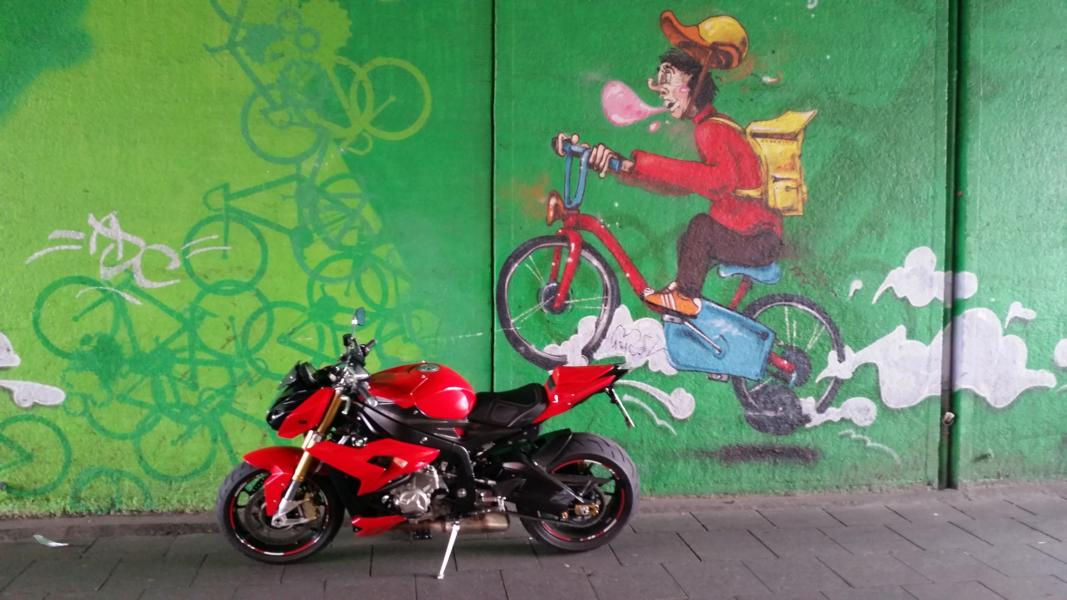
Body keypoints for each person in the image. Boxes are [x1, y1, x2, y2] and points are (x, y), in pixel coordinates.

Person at [554, 13, 782, 317]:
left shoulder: (712, 129)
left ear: (693, 81)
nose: (659, 89)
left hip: (757, 238)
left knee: (700, 228)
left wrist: (645, 164)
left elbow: (718, 182)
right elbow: (679, 186)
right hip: (747, 232)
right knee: (692, 236)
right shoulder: (709, 126)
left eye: (668, 77)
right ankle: (686, 300)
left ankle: (686, 297)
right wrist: (623, 166)